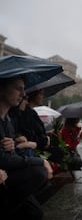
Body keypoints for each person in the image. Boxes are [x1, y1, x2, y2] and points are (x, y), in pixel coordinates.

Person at [0, 76, 53, 219]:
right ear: (2, 89)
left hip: (8, 171)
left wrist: (14, 145)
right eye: (18, 89)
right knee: (38, 172)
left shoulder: (8, 120)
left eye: (24, 90)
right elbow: (4, 158)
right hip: (4, 173)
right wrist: (40, 161)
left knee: (35, 212)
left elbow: (10, 151)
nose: (23, 94)